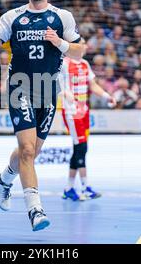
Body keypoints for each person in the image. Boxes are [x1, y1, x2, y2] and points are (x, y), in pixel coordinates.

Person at [0, 0, 84, 231]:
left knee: (29, 152)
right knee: (28, 150)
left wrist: (60, 43)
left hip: (48, 91)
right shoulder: (13, 17)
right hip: (20, 88)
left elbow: (79, 52)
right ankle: (35, 210)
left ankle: (3, 180)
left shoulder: (61, 17)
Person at [59, 55, 116, 201]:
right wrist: (64, 92)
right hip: (72, 111)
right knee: (81, 148)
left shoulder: (84, 63)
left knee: (79, 148)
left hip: (84, 110)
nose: (83, 47)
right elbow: (53, 80)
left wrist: (106, 96)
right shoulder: (64, 62)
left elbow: (93, 85)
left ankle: (69, 188)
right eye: (80, 44)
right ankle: (84, 187)